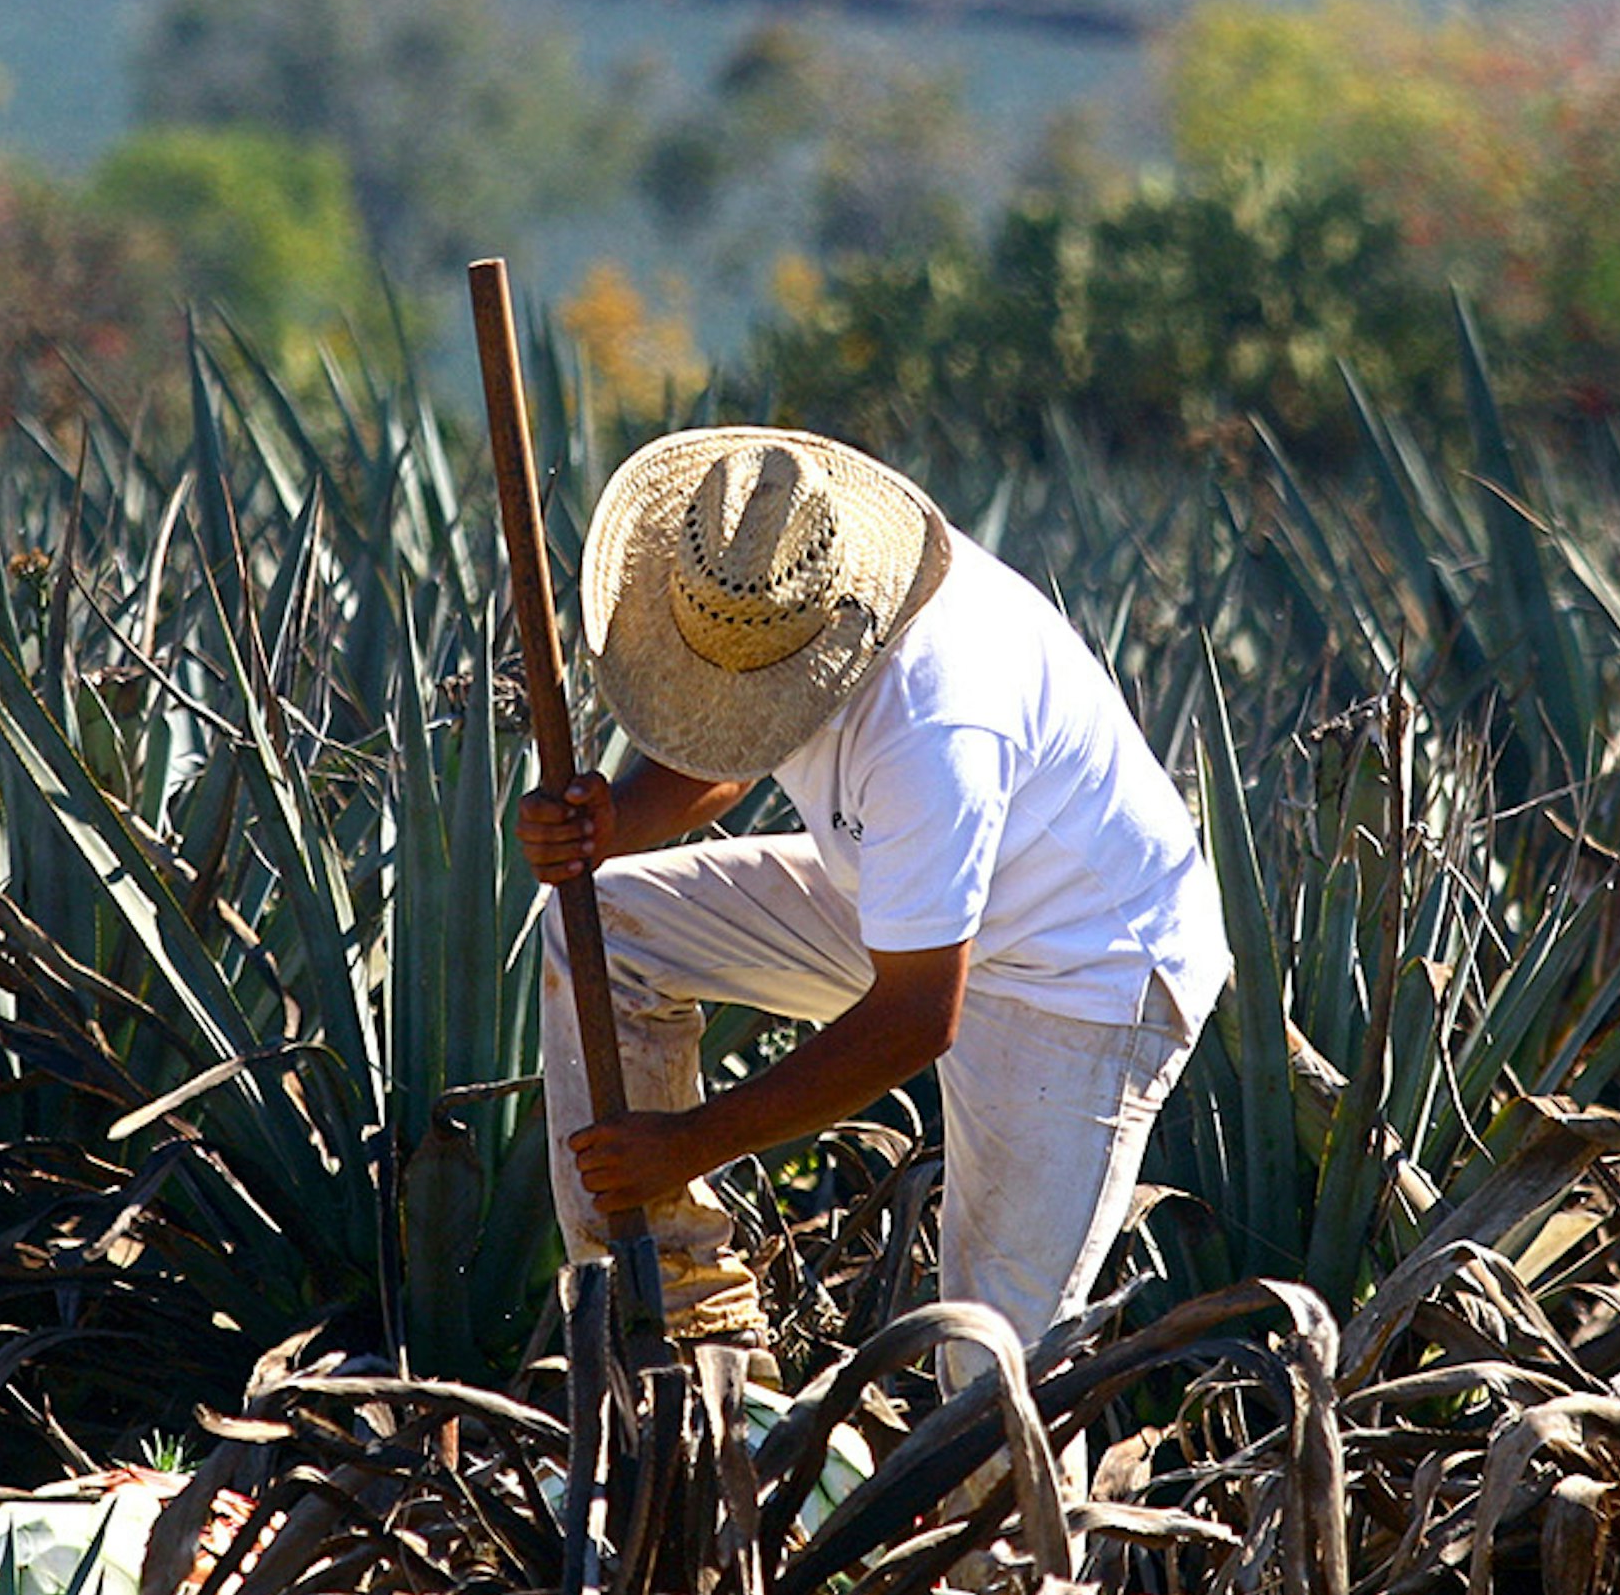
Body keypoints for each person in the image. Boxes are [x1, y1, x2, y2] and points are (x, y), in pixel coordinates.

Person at [515, 426, 1228, 1371]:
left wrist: (685, 1144)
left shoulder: (936, 725)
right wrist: (608, 822)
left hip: (1081, 975)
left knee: (991, 1376)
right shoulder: (770, 592)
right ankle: (686, 1328)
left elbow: (916, 1019)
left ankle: (1026, 1523)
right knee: (604, 925)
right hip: (906, 904)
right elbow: (731, 733)